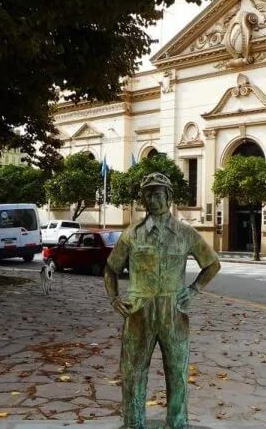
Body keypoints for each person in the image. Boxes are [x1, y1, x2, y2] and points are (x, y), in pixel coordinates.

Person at [104, 172, 220, 429]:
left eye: (158, 194)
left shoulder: (185, 233)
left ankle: (177, 422)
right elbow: (111, 269)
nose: (153, 199)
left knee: (177, 371)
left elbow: (212, 264)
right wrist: (114, 299)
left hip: (173, 311)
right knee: (133, 371)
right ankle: (134, 423)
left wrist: (193, 290)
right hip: (138, 310)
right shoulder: (132, 234)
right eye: (148, 195)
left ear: (168, 197)